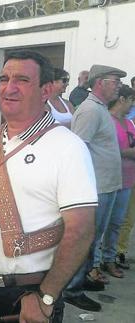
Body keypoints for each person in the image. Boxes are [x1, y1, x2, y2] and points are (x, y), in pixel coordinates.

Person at [0, 50, 98, 322]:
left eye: (21, 80)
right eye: (4, 78)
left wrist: (46, 296)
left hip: (30, 292)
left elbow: (81, 230)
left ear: (45, 91)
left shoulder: (68, 147)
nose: (9, 88)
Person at [63, 64, 126, 312]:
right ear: (100, 82)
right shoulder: (90, 110)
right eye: (115, 81)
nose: (119, 86)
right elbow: (78, 149)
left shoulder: (100, 109)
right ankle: (72, 288)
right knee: (85, 240)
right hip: (95, 188)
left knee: (93, 239)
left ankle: (83, 279)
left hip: (106, 186)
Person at [105, 84, 135, 278]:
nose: (133, 104)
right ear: (122, 99)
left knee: (118, 222)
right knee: (104, 224)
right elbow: (103, 150)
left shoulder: (130, 123)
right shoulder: (108, 121)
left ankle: (111, 258)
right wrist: (127, 153)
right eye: (131, 100)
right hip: (111, 179)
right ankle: (97, 262)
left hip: (128, 178)